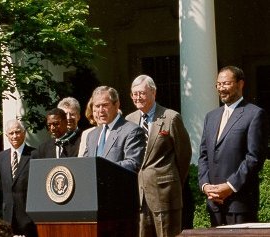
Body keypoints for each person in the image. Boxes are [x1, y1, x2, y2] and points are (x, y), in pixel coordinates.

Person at [198, 66, 268, 227]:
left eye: (226, 83)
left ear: (240, 84)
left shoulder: (254, 114)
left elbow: (254, 158)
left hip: (239, 203)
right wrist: (205, 185)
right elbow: (203, 155)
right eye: (218, 84)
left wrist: (229, 186)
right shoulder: (211, 117)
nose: (221, 88)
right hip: (214, 203)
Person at [126, 75, 192, 237]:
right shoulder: (129, 120)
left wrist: (173, 182)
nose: (137, 97)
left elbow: (183, 155)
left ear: (153, 93)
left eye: (141, 93)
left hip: (165, 194)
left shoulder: (171, 117)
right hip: (138, 196)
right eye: (134, 94)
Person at [83, 86, 146, 172]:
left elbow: (133, 163)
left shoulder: (132, 131)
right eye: (97, 106)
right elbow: (85, 163)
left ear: (116, 105)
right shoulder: (92, 135)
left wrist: (101, 167)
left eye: (105, 105)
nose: (101, 110)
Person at [0, 119, 38, 237]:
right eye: (11, 133)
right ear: (6, 135)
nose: (14, 136)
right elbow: (2, 185)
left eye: (17, 132)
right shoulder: (0, 157)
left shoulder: (35, 154)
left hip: (29, 218)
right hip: (8, 217)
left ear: (24, 133)